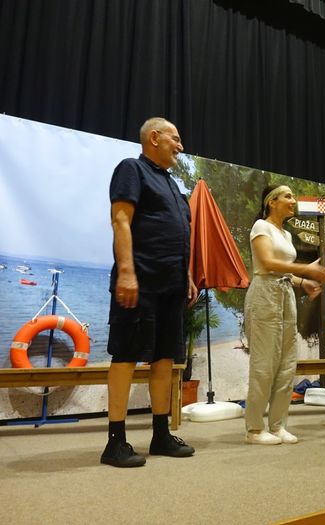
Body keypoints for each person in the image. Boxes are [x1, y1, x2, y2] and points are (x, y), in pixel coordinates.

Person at [102, 117, 198, 468]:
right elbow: (120, 220)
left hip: (172, 286)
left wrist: (187, 276)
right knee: (125, 356)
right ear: (154, 138)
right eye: (176, 139)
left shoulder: (173, 185)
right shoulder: (132, 169)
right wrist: (127, 272)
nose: (180, 146)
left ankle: (161, 435)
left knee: (164, 359)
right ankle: (115, 442)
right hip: (139, 283)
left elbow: (179, 236)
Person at [244, 184, 325, 445]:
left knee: (286, 364)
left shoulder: (286, 234)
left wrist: (303, 283)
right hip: (264, 295)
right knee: (264, 365)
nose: (293, 201)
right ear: (272, 201)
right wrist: (306, 270)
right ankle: (254, 429)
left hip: (285, 295)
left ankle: (278, 425)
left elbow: (284, 272)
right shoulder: (261, 227)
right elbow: (267, 264)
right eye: (288, 196)